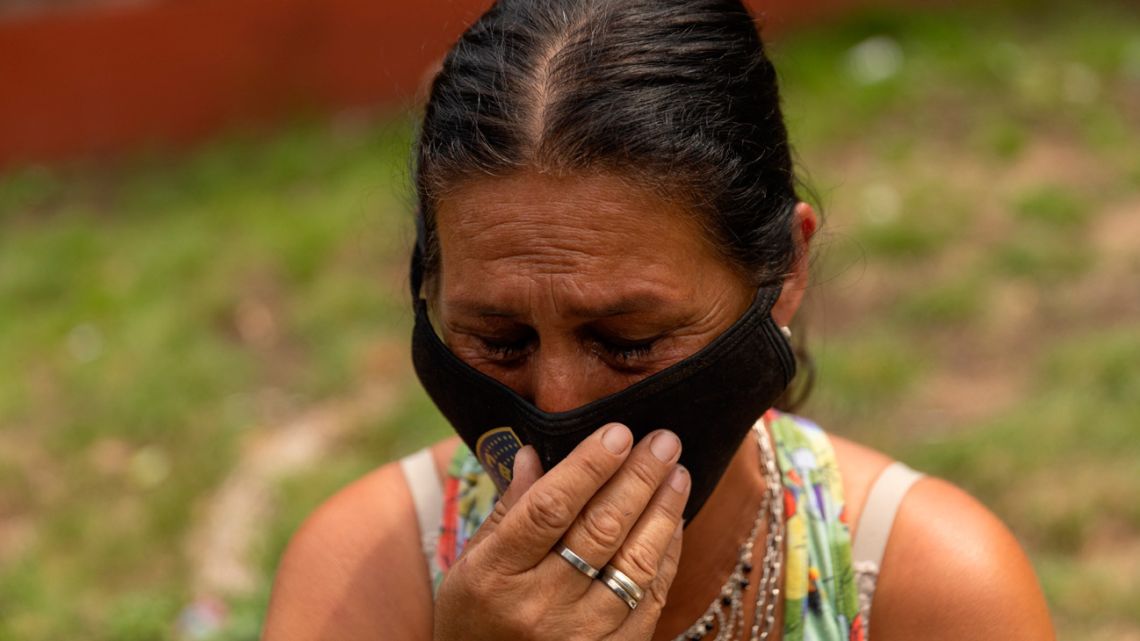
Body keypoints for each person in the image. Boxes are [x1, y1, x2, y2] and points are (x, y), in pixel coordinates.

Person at [263, 1, 1055, 639]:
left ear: (784, 273)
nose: (560, 403)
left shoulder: (930, 589)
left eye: (629, 341)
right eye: (499, 341)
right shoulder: (365, 576)